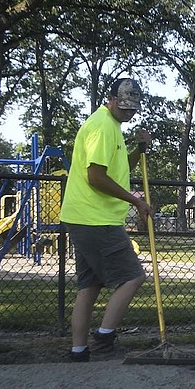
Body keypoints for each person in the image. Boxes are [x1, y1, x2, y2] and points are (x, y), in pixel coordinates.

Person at [60, 78, 153, 361]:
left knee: (89, 286)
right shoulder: (102, 127)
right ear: (110, 98)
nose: (128, 113)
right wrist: (135, 200)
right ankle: (104, 337)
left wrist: (138, 149)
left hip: (84, 217)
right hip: (95, 218)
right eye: (123, 107)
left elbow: (118, 168)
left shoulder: (110, 126)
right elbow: (96, 177)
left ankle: (79, 351)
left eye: (133, 109)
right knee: (133, 277)